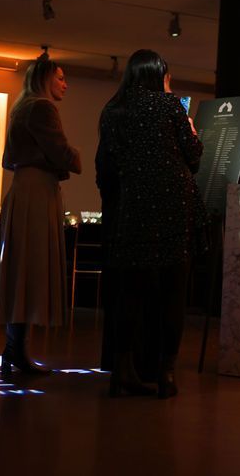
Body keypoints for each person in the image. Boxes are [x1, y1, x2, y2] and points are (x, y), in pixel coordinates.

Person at [96, 49, 206, 398]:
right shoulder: (170, 106)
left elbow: (110, 165)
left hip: (135, 208)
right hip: (175, 207)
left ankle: (123, 371)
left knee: (130, 293)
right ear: (158, 74)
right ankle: (166, 373)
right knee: (173, 293)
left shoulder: (113, 111)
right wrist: (191, 132)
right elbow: (193, 156)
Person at [0, 55, 81, 375]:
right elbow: (61, 151)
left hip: (25, 188)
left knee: (21, 269)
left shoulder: (21, 107)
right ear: (44, 79)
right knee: (31, 267)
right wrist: (78, 159)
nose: (65, 84)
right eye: (61, 78)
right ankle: (15, 350)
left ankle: (14, 349)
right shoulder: (43, 108)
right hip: (37, 192)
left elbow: (8, 160)